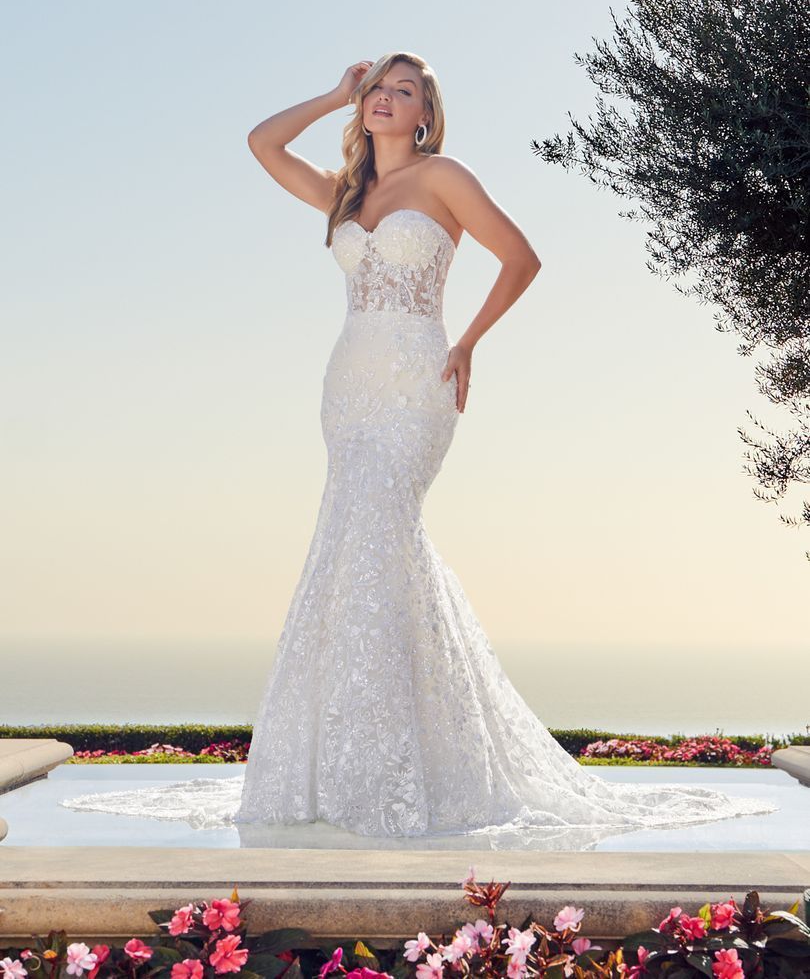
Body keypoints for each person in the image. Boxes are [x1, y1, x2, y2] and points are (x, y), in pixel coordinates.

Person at [59, 52, 778, 845]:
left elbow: (522, 256)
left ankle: (397, 770)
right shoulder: (346, 194)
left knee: (377, 531)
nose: (384, 99)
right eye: (377, 88)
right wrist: (334, 91)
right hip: (347, 387)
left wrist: (468, 340)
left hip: (417, 382)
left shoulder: (444, 177)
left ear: (425, 114)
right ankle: (358, 761)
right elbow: (263, 143)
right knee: (358, 552)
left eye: (403, 91)